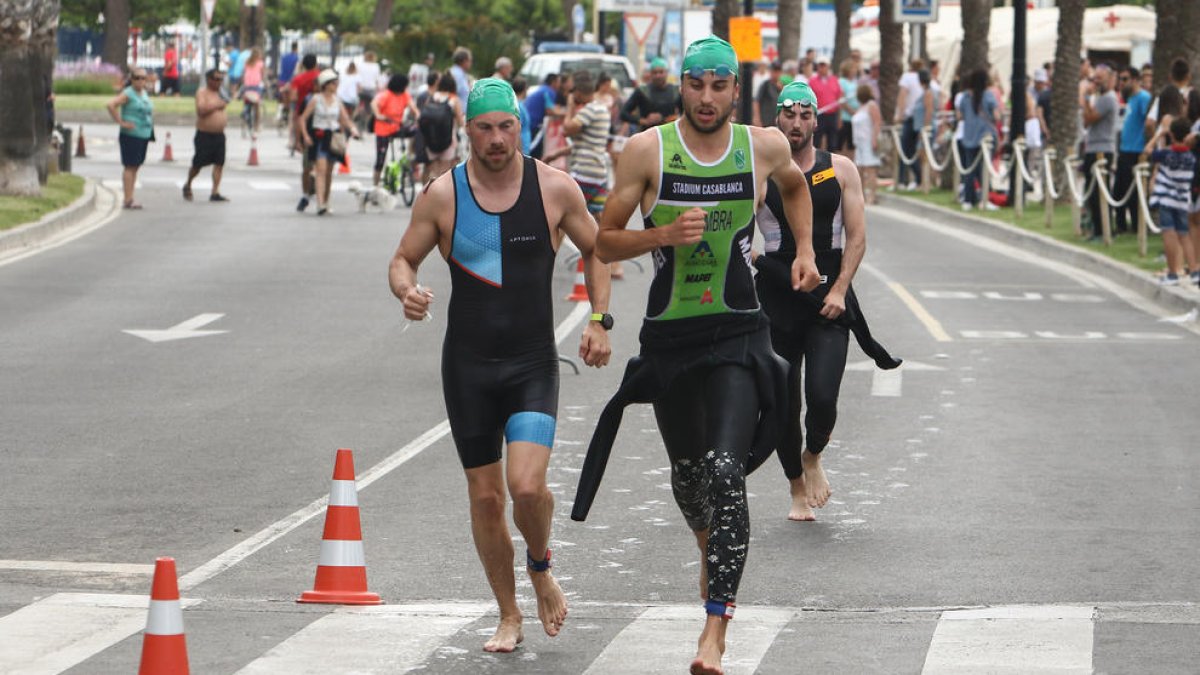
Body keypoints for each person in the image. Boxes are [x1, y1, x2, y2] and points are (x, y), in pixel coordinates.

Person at [573, 36, 820, 675]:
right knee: (689, 479)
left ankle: (714, 631)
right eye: (695, 85)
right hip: (672, 342)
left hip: (739, 332)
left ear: (736, 90)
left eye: (719, 86)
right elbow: (602, 241)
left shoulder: (762, 147)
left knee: (723, 472)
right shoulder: (646, 150)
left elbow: (796, 188)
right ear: (681, 86)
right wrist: (657, 237)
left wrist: (804, 251)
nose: (706, 97)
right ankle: (714, 558)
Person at [389, 77, 611, 653]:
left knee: (527, 487)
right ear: (468, 132)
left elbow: (597, 249)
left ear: (521, 126)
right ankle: (508, 613)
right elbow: (402, 260)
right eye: (484, 128)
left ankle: (540, 564)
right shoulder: (444, 195)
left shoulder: (554, 189)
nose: (495, 138)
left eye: (505, 126)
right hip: (468, 369)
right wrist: (406, 291)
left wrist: (598, 320)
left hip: (533, 364)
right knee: (487, 498)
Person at [755, 81, 901, 522]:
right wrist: (758, 260)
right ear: (777, 118)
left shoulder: (840, 169)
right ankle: (796, 487)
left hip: (829, 297)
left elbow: (856, 237)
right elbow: (741, 230)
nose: (796, 123)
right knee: (782, 401)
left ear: (816, 121)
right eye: (788, 114)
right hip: (778, 296)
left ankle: (813, 453)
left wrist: (839, 289)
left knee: (822, 396)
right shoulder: (761, 171)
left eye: (805, 116)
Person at [299, 69, 362, 215]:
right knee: (320, 170)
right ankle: (320, 203)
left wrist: (353, 129)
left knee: (329, 172)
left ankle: (326, 201)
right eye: (333, 83)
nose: (336, 85)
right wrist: (306, 136)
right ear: (325, 84)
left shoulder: (338, 101)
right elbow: (303, 118)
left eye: (337, 82)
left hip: (332, 137)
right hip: (319, 137)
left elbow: (345, 119)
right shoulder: (316, 99)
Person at [1145, 117, 1197, 285]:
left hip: (1167, 199)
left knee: (1169, 234)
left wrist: (1159, 135)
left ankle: (1172, 272)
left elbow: (1147, 150)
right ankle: (1195, 270)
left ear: (1172, 134)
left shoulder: (1167, 154)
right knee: (1184, 235)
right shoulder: (1191, 157)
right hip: (1182, 200)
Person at [106, 68, 154, 210]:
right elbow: (111, 105)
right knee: (130, 166)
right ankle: (127, 199)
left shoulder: (144, 93)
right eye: (137, 78)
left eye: (143, 78)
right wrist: (121, 122)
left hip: (143, 134)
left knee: (136, 166)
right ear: (131, 79)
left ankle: (131, 197)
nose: (140, 81)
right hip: (131, 135)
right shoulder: (128, 93)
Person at [1080, 63, 1118, 239]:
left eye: (1100, 79)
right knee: (1092, 190)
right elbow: (1086, 121)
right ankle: (1096, 228)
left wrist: (1086, 98)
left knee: (1099, 192)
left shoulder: (1108, 99)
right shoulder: (1099, 99)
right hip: (1093, 147)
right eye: (1095, 78)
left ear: (1110, 80)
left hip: (1102, 150)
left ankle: (1103, 230)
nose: (1096, 82)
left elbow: (1090, 118)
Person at [183, 69, 230, 202]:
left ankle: (215, 191)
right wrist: (217, 105)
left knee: (219, 163)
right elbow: (201, 110)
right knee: (198, 164)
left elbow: (228, 101)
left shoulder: (221, 93)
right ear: (208, 79)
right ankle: (188, 183)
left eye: (220, 79)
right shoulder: (202, 92)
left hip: (219, 135)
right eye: (215, 79)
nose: (218, 82)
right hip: (204, 134)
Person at [1115, 66, 1152, 234]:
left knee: (1133, 191)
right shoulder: (1130, 99)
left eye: (1125, 79)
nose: (1121, 83)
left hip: (1136, 150)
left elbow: (1149, 122)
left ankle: (1137, 226)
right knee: (1119, 190)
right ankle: (1121, 225)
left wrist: (1146, 145)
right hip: (1125, 149)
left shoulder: (1144, 98)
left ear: (1135, 80)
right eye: (1120, 79)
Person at [956, 68, 999, 211]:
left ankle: (968, 199)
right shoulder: (988, 95)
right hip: (985, 137)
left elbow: (960, 115)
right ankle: (984, 198)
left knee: (969, 169)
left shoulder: (965, 97)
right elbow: (996, 116)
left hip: (969, 136)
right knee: (984, 169)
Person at [371, 73, 420, 186]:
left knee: (417, 131)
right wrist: (378, 115)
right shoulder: (386, 95)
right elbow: (374, 103)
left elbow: (413, 107)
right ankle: (375, 185)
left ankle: (411, 153)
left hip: (397, 127)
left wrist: (417, 115)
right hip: (383, 129)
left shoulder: (404, 95)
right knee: (380, 160)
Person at [287, 54, 321, 211]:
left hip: (303, 118)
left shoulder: (298, 79)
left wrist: (297, 139)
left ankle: (306, 192)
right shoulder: (321, 77)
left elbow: (293, 97)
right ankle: (314, 179)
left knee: (306, 161)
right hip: (321, 121)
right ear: (316, 64)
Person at [419, 71, 465, 184]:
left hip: (431, 139)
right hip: (448, 140)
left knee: (432, 168)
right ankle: (440, 195)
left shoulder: (431, 97)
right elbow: (460, 121)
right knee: (444, 170)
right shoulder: (453, 100)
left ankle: (427, 193)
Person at [619, 57, 681, 133]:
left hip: (669, 134)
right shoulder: (642, 91)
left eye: (661, 72)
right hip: (647, 134)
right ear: (650, 74)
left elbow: (685, 114)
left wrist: (673, 119)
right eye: (655, 72)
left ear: (666, 73)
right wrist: (643, 121)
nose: (658, 76)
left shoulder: (675, 91)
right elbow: (624, 113)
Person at [893, 58, 926, 190]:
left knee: (905, 149)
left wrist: (899, 115)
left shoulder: (907, 77)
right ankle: (917, 179)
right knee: (913, 149)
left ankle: (911, 179)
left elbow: (902, 96)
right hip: (920, 117)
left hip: (910, 117)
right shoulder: (924, 79)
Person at [852, 84, 882, 204]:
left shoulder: (872, 105)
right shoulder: (861, 107)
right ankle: (862, 195)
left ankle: (872, 196)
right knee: (859, 169)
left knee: (870, 170)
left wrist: (874, 139)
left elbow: (877, 122)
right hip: (859, 143)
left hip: (868, 141)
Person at [807, 58, 842, 151]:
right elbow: (809, 100)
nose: (821, 68)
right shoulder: (812, 81)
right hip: (819, 115)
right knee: (816, 142)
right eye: (820, 66)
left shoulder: (834, 80)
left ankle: (830, 164)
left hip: (832, 114)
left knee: (832, 143)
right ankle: (816, 163)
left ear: (828, 66)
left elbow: (838, 99)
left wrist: (839, 118)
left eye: (823, 65)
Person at [836, 59, 860, 158]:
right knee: (840, 145)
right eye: (853, 68)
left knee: (851, 145)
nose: (855, 71)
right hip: (844, 118)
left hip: (854, 120)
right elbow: (842, 100)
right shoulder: (841, 82)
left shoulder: (855, 82)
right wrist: (852, 112)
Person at [752, 60, 784, 128]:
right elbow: (756, 101)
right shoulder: (765, 84)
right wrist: (757, 118)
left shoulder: (781, 86)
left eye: (778, 71)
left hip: (776, 121)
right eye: (775, 71)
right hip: (765, 121)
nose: (777, 73)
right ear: (771, 71)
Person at [240, 48, 265, 134]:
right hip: (256, 86)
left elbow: (243, 73)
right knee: (257, 106)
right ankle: (256, 125)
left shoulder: (247, 62)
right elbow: (262, 75)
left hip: (247, 86)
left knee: (245, 104)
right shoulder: (260, 63)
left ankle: (243, 126)